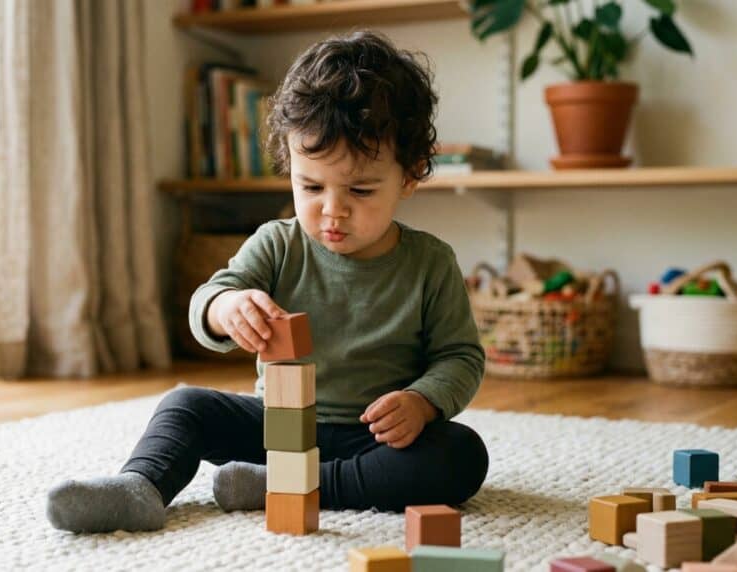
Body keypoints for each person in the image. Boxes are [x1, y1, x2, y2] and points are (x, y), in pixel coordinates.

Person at [46, 30, 488, 534]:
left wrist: (423, 401)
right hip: (276, 425)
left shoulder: (430, 263)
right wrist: (226, 307)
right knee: (184, 404)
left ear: (409, 177)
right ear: (290, 168)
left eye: (360, 190)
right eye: (311, 186)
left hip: (375, 438)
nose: (332, 210)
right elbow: (208, 299)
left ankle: (299, 484)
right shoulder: (278, 243)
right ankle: (139, 487)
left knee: (461, 455)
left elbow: (461, 357)